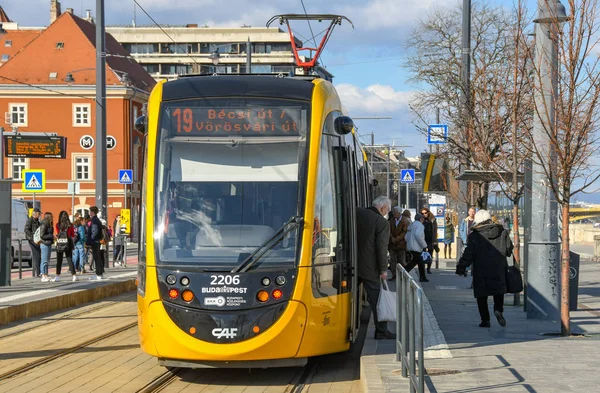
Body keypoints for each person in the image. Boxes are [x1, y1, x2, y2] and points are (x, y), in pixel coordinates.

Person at [456, 209, 513, 328]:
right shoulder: (502, 232)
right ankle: (498, 310)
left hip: (481, 269)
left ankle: (485, 320)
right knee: (498, 291)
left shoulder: (475, 235)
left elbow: (469, 253)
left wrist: (461, 267)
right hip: (498, 268)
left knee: (481, 295)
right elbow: (509, 249)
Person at [356, 196, 395, 340]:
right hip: (369, 267)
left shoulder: (357, 213)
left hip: (351, 263)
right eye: (387, 210)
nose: (387, 212)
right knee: (377, 298)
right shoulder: (381, 222)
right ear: (383, 208)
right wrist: (384, 270)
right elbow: (381, 248)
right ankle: (381, 330)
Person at [404, 213, 429, 282]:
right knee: (416, 261)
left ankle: (422, 276)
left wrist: (409, 243)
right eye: (423, 219)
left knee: (420, 261)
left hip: (410, 246)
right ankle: (404, 271)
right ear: (421, 219)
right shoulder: (420, 225)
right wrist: (424, 245)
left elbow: (406, 237)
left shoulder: (411, 225)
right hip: (417, 246)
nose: (423, 220)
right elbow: (418, 235)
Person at [54, 210, 77, 282]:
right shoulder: (70, 225)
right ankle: (74, 275)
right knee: (69, 259)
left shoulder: (58, 225)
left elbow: (58, 233)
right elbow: (72, 235)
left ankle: (57, 276)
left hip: (60, 242)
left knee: (59, 260)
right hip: (68, 242)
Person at [388, 207, 410, 279]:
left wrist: (397, 239)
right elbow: (389, 230)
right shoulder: (391, 221)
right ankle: (394, 274)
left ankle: (402, 275)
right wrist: (392, 238)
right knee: (392, 260)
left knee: (401, 260)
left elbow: (404, 232)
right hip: (392, 243)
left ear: (399, 213)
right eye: (394, 212)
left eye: (395, 212)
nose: (394, 214)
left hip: (401, 244)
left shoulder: (405, 221)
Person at [86, 206, 104, 280]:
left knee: (97, 257)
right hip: (96, 241)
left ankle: (98, 274)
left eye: (90, 211)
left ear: (93, 212)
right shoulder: (96, 220)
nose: (89, 213)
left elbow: (95, 231)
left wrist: (91, 239)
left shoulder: (95, 220)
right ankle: (100, 273)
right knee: (98, 257)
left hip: (95, 241)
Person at [24, 208, 42, 277]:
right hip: (32, 240)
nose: (40, 215)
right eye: (39, 213)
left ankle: (39, 272)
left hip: (37, 240)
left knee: (38, 256)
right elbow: (26, 229)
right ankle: (38, 273)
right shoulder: (30, 220)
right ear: (35, 213)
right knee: (37, 256)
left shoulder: (37, 221)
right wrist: (33, 237)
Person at [38, 212, 54, 282]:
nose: (52, 218)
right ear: (48, 217)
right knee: (44, 260)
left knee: (47, 261)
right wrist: (51, 236)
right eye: (51, 217)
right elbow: (42, 235)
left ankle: (46, 275)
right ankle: (43, 276)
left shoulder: (49, 224)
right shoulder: (44, 224)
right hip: (44, 244)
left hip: (48, 243)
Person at [420, 207, 437, 274]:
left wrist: (435, 240)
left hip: (430, 239)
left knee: (430, 254)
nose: (424, 214)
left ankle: (428, 268)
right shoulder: (421, 220)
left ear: (428, 212)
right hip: (423, 239)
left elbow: (435, 230)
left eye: (425, 213)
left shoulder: (432, 219)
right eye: (422, 213)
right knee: (423, 254)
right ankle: (423, 268)